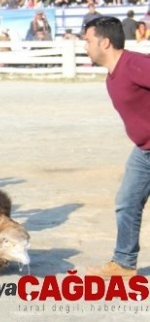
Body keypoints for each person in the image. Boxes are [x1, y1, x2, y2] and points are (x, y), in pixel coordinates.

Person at [83, 16, 150, 278]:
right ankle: (123, 263)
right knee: (127, 201)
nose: (85, 46)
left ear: (105, 42)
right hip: (143, 151)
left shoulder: (134, 64)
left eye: (88, 41)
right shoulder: (113, 76)